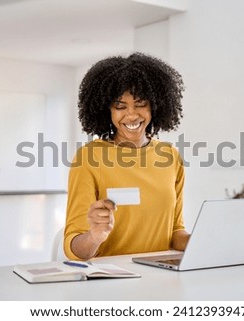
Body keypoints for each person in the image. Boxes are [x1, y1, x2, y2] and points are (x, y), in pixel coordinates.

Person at [64, 52, 190, 260]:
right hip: (109, 279)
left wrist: (207, 240)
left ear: (155, 106)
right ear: (107, 111)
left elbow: (175, 231)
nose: (132, 115)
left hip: (160, 277)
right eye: (120, 106)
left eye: (140, 104)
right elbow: (75, 249)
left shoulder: (170, 156)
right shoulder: (88, 158)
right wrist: (94, 236)